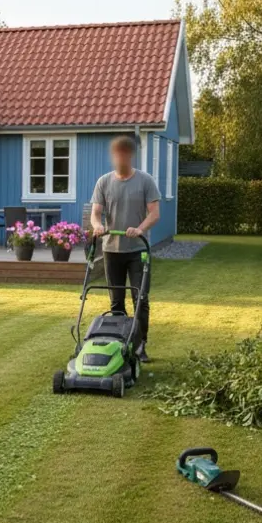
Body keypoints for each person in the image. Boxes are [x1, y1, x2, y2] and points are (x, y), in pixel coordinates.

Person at [90, 134, 160, 361]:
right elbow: (96, 213)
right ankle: (119, 344)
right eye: (116, 153)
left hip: (138, 250)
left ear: (130, 155)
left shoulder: (145, 181)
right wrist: (98, 225)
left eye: (123, 153)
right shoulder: (104, 182)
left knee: (141, 298)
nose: (119, 157)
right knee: (116, 301)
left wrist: (140, 228)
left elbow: (155, 213)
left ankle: (141, 346)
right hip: (112, 250)